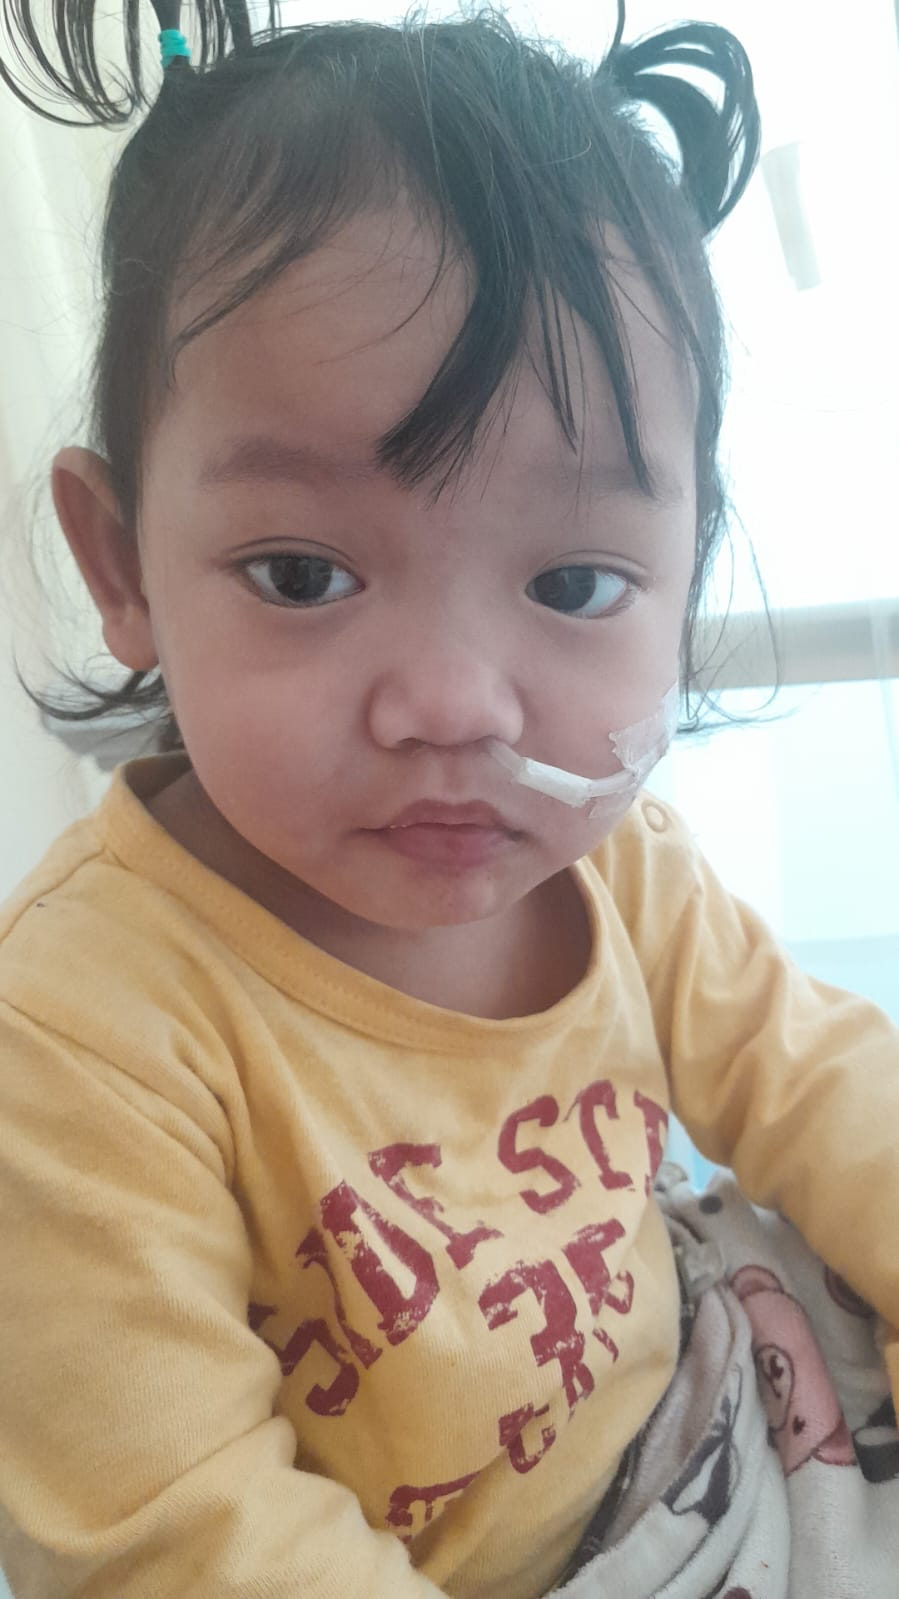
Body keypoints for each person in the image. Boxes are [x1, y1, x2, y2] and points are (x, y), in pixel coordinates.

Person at [0, 1, 897, 1595]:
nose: (454, 706)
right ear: (123, 567)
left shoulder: (617, 862)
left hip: (708, 1410)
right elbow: (178, 1526)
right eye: (303, 573)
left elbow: (817, 1077)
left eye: (573, 581)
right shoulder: (77, 1036)